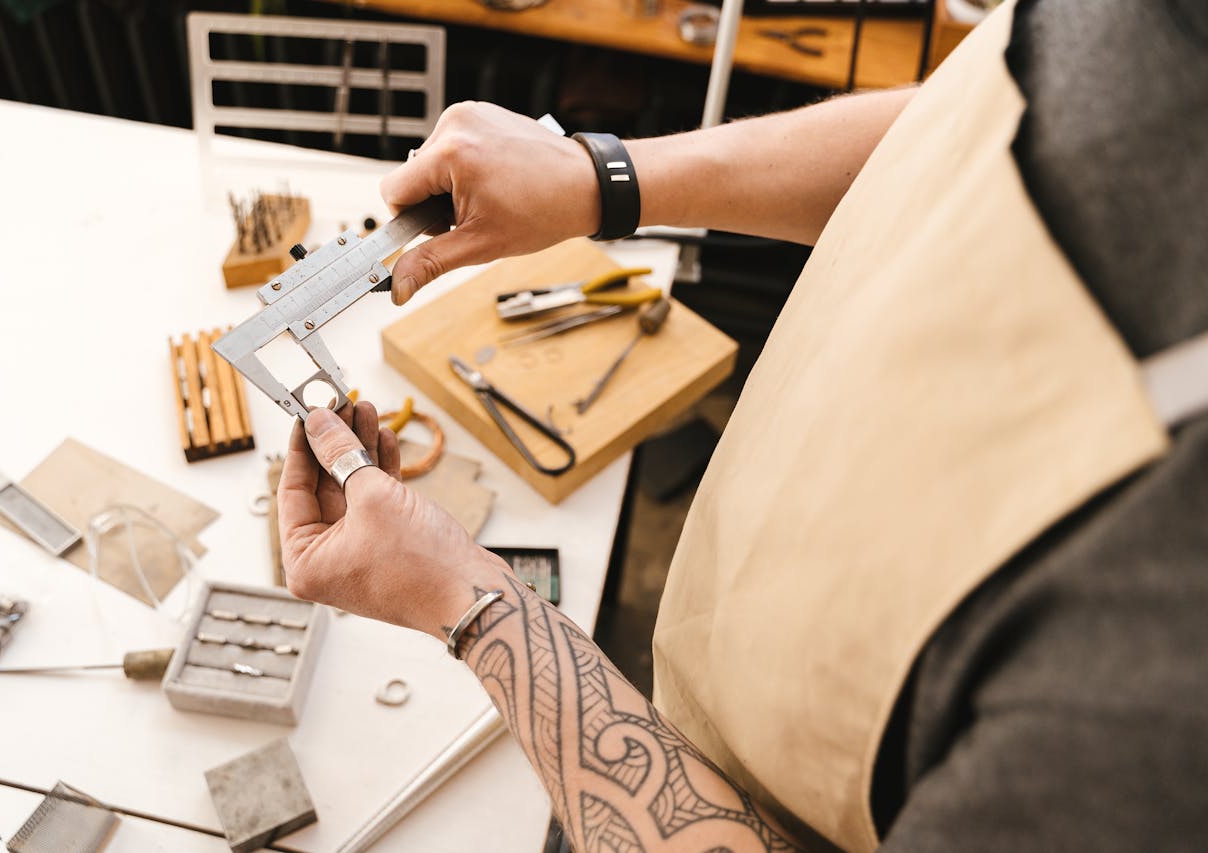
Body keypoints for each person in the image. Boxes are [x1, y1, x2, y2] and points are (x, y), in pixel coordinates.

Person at [278, 0, 1208, 850]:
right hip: (679, 689)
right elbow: (966, 124)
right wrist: (598, 178)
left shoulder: (1161, 677)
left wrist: (471, 601)